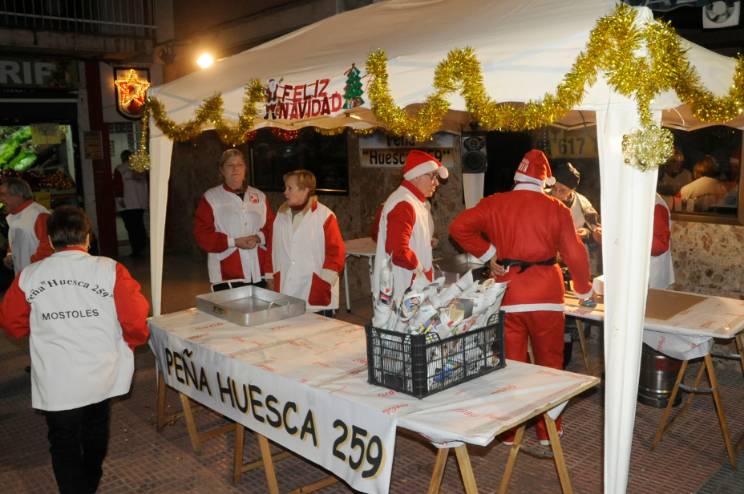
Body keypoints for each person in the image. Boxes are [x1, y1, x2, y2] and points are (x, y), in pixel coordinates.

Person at [0, 205, 150, 494]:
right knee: (96, 429)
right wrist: (131, 341)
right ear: (87, 237)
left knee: (63, 439)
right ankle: (89, 482)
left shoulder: (30, 275)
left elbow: (11, 323)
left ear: (50, 239)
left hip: (56, 376)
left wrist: (44, 326)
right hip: (100, 370)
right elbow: (135, 319)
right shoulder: (110, 269)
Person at [449, 149, 593, 446]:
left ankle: (511, 432)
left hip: (509, 292)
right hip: (547, 295)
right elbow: (575, 253)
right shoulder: (557, 208)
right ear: (544, 181)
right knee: (549, 365)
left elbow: (458, 228)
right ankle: (547, 431)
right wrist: (584, 290)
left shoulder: (495, 203)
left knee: (512, 365)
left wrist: (490, 254)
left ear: (517, 177)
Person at [371, 150, 448, 309]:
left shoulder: (414, 201)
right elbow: (398, 251)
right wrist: (420, 270)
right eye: (433, 176)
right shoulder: (404, 204)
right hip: (403, 283)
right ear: (416, 176)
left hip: (411, 282)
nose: (436, 183)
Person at [193, 148, 274, 291]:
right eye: (230, 165)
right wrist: (233, 242)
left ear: (245, 169)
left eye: (240, 164)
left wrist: (258, 237)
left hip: (259, 271)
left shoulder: (259, 196)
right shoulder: (211, 197)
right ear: (222, 170)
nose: (235, 168)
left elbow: (272, 228)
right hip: (227, 273)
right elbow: (202, 234)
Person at [267, 170, 345, 316]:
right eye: (285, 188)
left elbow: (336, 254)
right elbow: (271, 248)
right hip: (285, 286)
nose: (285, 192)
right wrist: (269, 276)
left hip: (314, 289)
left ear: (305, 190)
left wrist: (324, 283)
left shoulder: (325, 216)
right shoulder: (280, 215)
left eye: (290, 188)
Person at [549, 160, 602, 272]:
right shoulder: (541, 198)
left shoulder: (583, 204)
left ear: (572, 190)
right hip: (547, 263)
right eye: (554, 188)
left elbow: (597, 233)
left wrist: (587, 234)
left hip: (575, 264)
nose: (556, 193)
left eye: (562, 190)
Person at [0, 177, 53, 273]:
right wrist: (10, 254)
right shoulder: (14, 216)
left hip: (37, 276)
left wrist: (30, 268)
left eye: (3, 194)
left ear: (18, 195)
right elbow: (15, 240)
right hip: (24, 276)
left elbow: (48, 248)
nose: (1, 199)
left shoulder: (40, 215)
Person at [113, 150, 149, 257]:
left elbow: (118, 187)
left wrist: (119, 200)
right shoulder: (141, 168)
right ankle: (143, 247)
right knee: (139, 225)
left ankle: (136, 250)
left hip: (127, 204)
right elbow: (146, 185)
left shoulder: (120, 169)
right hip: (140, 203)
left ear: (122, 158)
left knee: (131, 228)